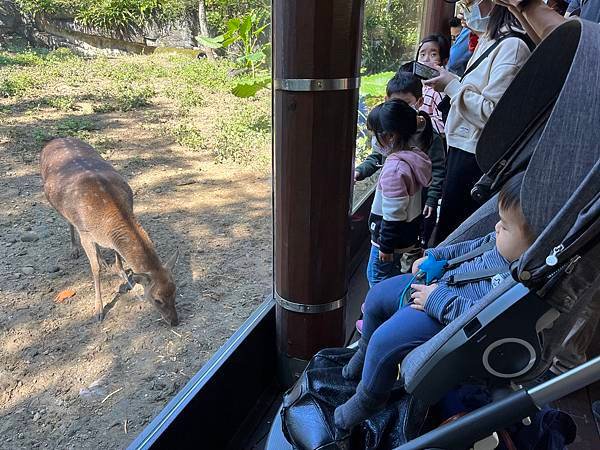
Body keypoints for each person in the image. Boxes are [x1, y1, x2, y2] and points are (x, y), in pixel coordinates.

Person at [334, 175, 536, 431]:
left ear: (534, 243)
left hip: (445, 316)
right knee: (376, 297)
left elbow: (485, 319)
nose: (496, 227)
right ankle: (363, 354)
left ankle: (369, 398)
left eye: (505, 227)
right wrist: (433, 256)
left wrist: (436, 299)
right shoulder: (499, 245)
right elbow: (466, 248)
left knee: (384, 341)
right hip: (439, 285)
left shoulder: (516, 281)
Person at [424, 1, 532, 244]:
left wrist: (451, 86)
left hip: (475, 158)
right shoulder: (488, 40)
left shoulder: (512, 47)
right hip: (462, 148)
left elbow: (494, 114)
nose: (464, 10)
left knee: (454, 235)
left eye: (471, 2)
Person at [355, 71, 446, 249]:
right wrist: (361, 171)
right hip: (395, 194)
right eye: (393, 104)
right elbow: (376, 156)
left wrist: (432, 199)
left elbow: (437, 168)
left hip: (418, 197)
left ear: (419, 102)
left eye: (405, 104)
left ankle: (408, 256)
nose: (399, 110)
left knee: (411, 231)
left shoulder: (428, 136)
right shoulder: (388, 133)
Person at [363, 99, 433, 288]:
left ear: (391, 136)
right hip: (406, 236)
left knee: (376, 277)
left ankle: (377, 312)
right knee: (392, 275)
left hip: (388, 240)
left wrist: (385, 246)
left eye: (375, 134)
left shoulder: (395, 169)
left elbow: (394, 213)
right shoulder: (415, 155)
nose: (373, 140)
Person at [416, 34, 451, 137]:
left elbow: (442, 124)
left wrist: (417, 124)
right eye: (422, 54)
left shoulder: (440, 91)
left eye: (433, 54)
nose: (425, 59)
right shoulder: (417, 84)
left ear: (444, 60)